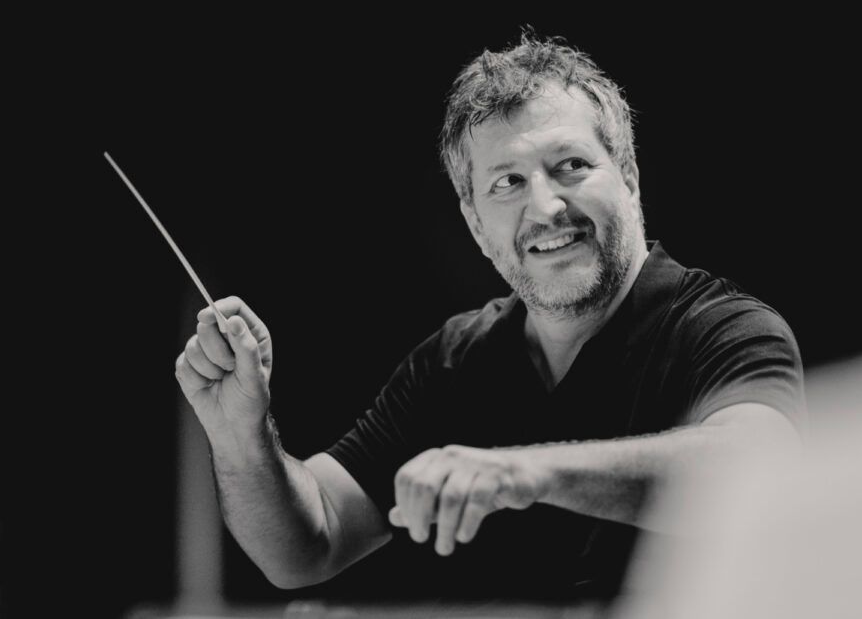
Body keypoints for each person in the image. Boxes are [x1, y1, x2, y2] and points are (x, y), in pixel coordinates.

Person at [174, 34, 805, 600]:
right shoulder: (455, 361)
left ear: (630, 178)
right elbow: (306, 546)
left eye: (571, 165)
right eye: (507, 183)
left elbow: (757, 473)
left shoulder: (724, 328)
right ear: (476, 225)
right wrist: (241, 435)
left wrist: (522, 471)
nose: (546, 207)